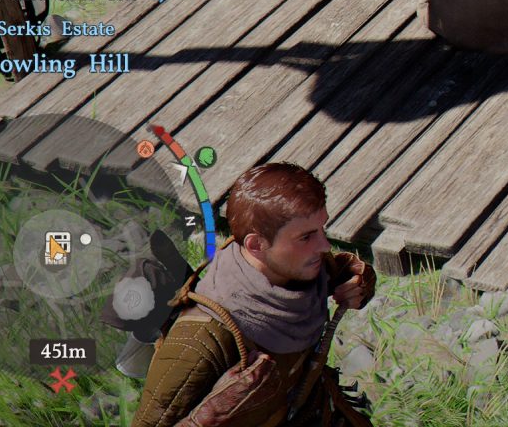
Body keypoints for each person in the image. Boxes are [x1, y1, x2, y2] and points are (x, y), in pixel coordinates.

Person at [131, 162, 376, 427]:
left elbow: (338, 269)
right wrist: (210, 420)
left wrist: (358, 279)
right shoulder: (196, 345)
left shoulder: (299, 267)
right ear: (256, 244)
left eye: (322, 229)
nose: (324, 245)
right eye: (306, 237)